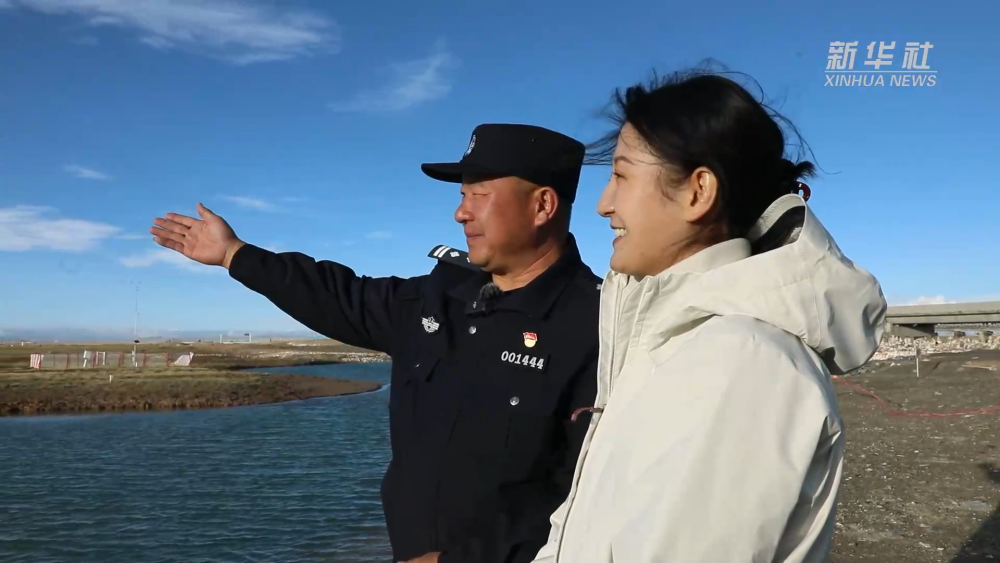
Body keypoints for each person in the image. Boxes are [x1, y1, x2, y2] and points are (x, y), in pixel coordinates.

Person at [149, 124, 602, 563]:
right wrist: (234, 254)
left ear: (542, 205)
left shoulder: (598, 326)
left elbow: (589, 493)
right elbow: (337, 294)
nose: (461, 213)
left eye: (478, 195)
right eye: (462, 196)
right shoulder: (441, 296)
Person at [531, 70, 887, 563]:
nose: (603, 204)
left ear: (698, 191)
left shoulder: (741, 362)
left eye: (621, 176)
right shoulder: (675, 340)